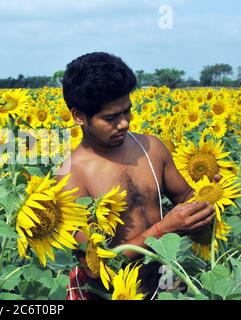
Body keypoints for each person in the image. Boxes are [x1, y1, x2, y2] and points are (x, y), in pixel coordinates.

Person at [57, 52, 217, 300]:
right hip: (111, 294)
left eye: (127, 112)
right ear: (79, 116)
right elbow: (93, 266)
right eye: (110, 118)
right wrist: (164, 230)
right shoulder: (72, 176)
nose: (124, 123)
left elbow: (185, 196)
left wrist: (210, 195)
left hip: (168, 282)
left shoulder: (151, 148)